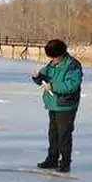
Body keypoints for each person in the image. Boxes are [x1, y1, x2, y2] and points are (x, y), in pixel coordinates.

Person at [31, 38, 83, 173]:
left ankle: (65, 163)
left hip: (65, 105)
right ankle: (52, 159)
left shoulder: (73, 65)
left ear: (61, 53)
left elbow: (72, 85)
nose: (53, 60)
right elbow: (45, 76)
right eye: (51, 57)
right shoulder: (53, 64)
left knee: (64, 135)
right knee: (53, 134)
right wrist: (37, 77)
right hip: (53, 104)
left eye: (54, 57)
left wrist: (53, 86)